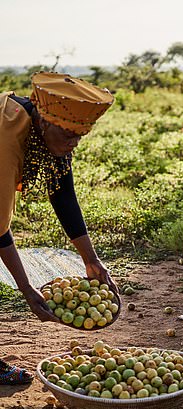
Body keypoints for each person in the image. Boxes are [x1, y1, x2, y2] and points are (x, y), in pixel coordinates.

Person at [0, 72, 116, 385]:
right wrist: (26, 289)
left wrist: (91, 260)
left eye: (79, 136)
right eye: (68, 135)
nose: (73, 143)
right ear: (44, 121)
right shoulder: (7, 141)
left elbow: (62, 194)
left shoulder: (46, 132)